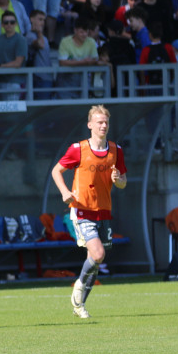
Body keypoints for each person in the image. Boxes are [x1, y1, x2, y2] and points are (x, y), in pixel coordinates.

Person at [50, 105, 127, 319]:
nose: (103, 125)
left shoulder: (115, 150)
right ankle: (79, 287)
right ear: (90, 125)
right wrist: (65, 191)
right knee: (98, 254)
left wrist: (118, 180)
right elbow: (57, 170)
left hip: (104, 212)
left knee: (96, 261)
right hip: (82, 209)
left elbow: (123, 182)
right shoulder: (79, 148)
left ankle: (80, 305)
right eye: (99, 122)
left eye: (106, 122)